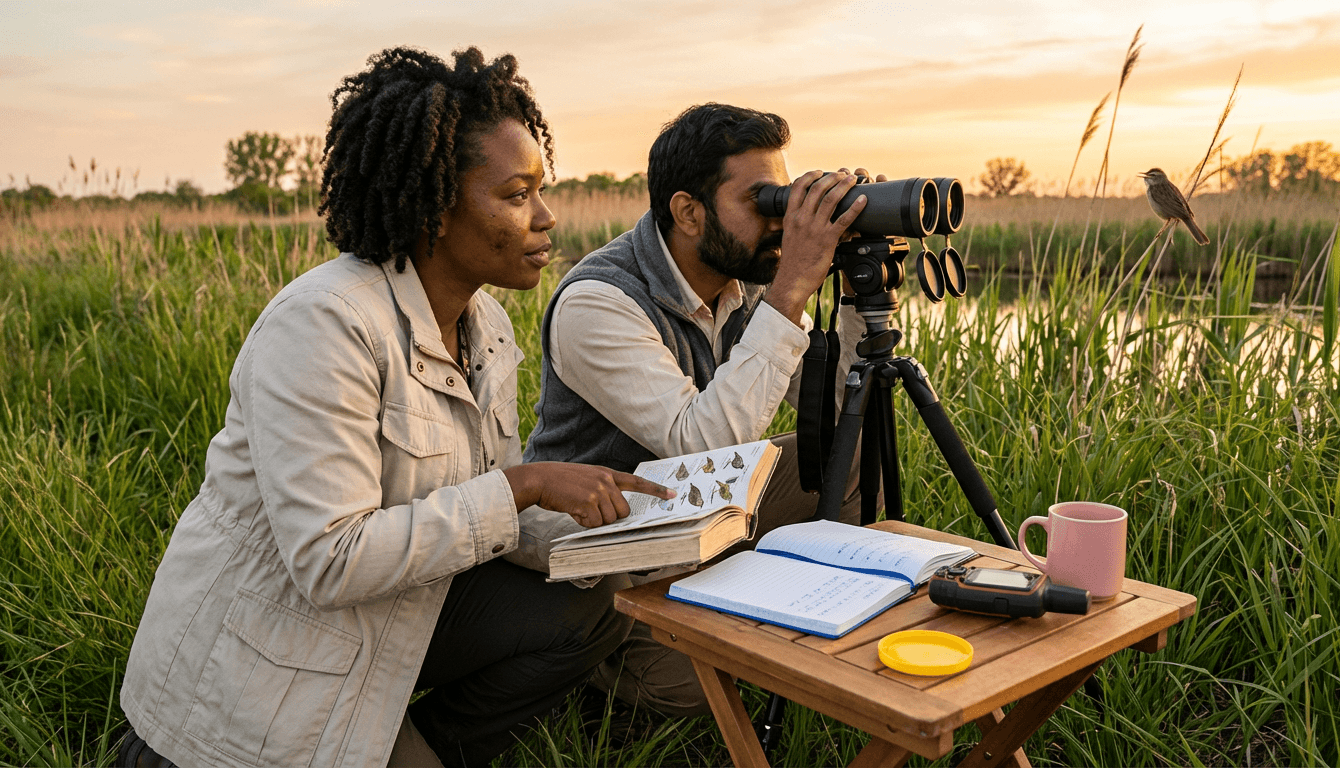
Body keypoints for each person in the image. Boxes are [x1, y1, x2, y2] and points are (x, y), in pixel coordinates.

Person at [116, 46, 672, 768]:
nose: (545, 216)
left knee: (581, 609)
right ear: (435, 210)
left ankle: (424, 748)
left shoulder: (487, 327)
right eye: (515, 194)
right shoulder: (323, 325)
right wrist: (525, 484)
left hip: (385, 618)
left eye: (541, 190)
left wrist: (629, 536)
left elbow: (478, 508)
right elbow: (330, 561)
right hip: (252, 691)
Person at [514, 103, 875, 718]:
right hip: (612, 554)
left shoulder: (746, 278)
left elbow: (839, 408)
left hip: (701, 516)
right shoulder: (597, 300)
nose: (780, 220)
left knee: (851, 452)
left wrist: (851, 289)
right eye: (763, 201)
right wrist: (791, 288)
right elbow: (697, 445)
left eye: (783, 197)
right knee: (699, 691)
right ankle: (597, 669)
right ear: (687, 211)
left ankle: (771, 599)